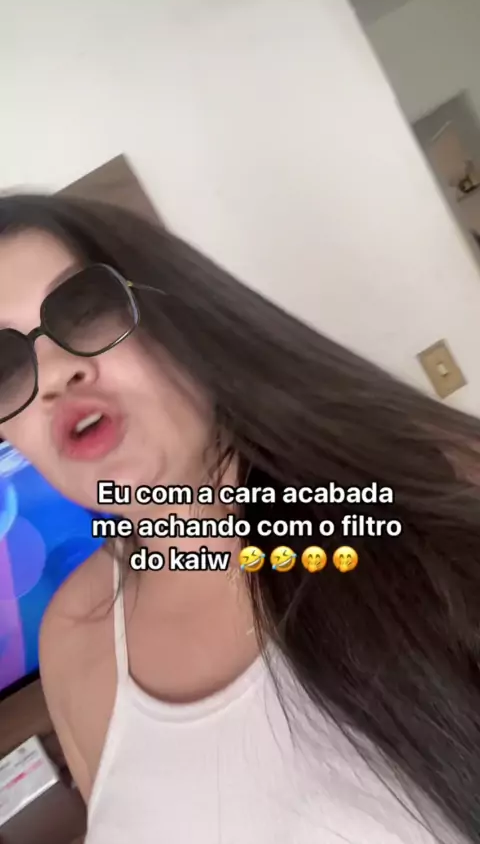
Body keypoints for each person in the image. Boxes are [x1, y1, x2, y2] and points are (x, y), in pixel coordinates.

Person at [0, 194, 478, 844]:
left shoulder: (435, 501)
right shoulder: (72, 638)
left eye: (85, 309)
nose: (54, 374)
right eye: (5, 368)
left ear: (182, 314)